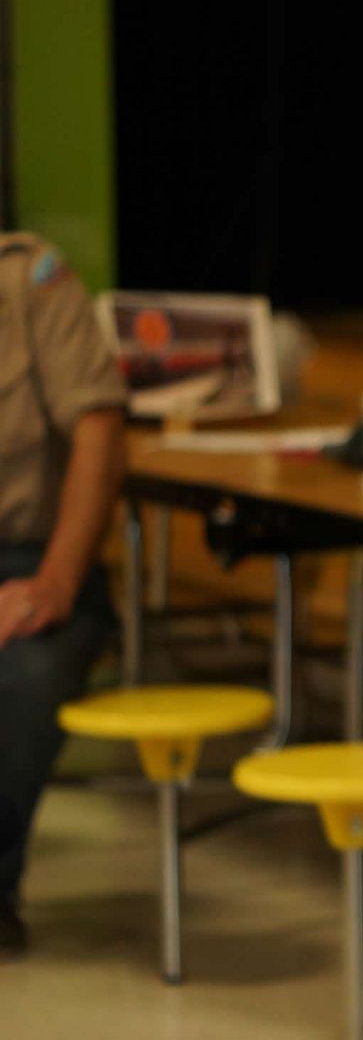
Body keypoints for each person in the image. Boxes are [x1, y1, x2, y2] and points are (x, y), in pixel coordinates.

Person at [0, 234, 127, 956]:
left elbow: (99, 428)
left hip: (31, 557)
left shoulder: (30, 281)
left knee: (24, 675)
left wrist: (54, 580)